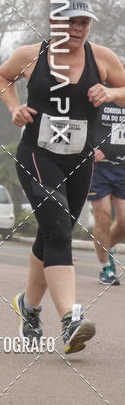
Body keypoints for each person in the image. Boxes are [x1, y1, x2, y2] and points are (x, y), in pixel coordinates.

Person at [0, 0, 125, 353]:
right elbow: (3, 77)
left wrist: (112, 91)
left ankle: (29, 307)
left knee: (56, 232)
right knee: (56, 230)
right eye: (71, 22)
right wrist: (14, 107)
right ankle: (70, 319)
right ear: (56, 24)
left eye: (84, 23)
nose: (79, 29)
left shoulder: (102, 59)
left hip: (80, 159)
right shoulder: (31, 55)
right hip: (38, 154)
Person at [88, 89, 125, 285]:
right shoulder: (101, 95)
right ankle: (105, 268)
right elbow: (81, 121)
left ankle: (106, 246)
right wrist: (90, 148)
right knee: (102, 214)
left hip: (123, 168)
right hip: (100, 168)